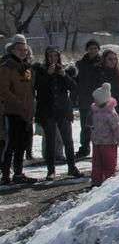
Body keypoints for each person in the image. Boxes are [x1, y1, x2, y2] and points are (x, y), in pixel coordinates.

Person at [33, 47, 83, 180]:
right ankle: (51, 170)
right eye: (50, 56)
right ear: (46, 57)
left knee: (68, 140)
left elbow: (73, 87)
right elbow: (38, 88)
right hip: (48, 111)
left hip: (63, 111)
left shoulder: (64, 70)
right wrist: (48, 75)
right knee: (50, 140)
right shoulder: (40, 70)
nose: (53, 59)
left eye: (55, 56)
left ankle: (72, 167)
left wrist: (64, 75)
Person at [0, 35, 37, 184]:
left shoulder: (26, 67)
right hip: (12, 111)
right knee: (11, 144)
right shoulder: (6, 67)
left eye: (25, 49)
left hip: (26, 113)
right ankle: (5, 175)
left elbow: (29, 88)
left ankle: (18, 173)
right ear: (12, 49)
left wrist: (29, 107)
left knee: (22, 144)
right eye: (19, 49)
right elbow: (3, 90)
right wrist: (19, 103)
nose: (23, 52)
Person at [90, 83, 119, 187]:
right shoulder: (95, 111)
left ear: (102, 100)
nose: (94, 101)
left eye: (96, 99)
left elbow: (117, 128)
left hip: (108, 142)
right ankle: (96, 181)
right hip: (97, 142)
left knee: (109, 162)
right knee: (96, 162)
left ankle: (110, 181)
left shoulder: (110, 113)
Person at [75, 39, 102, 158]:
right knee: (85, 126)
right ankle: (84, 148)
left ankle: (99, 147)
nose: (93, 50)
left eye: (95, 48)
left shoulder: (102, 63)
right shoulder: (80, 64)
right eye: (91, 48)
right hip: (84, 100)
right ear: (87, 50)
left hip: (99, 100)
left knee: (99, 125)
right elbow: (76, 82)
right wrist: (75, 97)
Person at [96, 49, 119, 120]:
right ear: (104, 60)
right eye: (110, 59)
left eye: (115, 59)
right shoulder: (98, 72)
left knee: (115, 130)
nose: (113, 61)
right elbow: (94, 91)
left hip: (116, 109)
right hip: (101, 110)